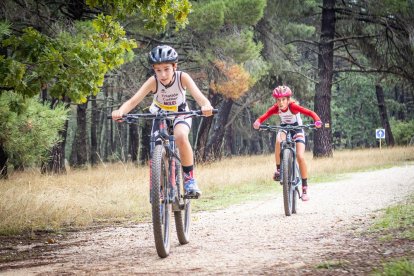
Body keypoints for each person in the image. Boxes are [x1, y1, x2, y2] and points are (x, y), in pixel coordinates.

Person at [112, 45, 214, 198]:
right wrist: (120, 111)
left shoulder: (182, 77)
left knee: (180, 136)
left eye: (166, 69)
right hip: (160, 114)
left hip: (181, 112)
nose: (163, 74)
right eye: (158, 70)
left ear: (175, 66)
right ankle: (159, 185)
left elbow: (200, 97)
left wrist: (206, 106)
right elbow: (133, 101)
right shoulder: (153, 81)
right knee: (155, 145)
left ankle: (189, 180)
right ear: (154, 70)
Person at [253, 85, 322, 201]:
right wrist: (258, 121)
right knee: (278, 141)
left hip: (297, 128)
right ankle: (279, 169)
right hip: (284, 127)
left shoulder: (293, 107)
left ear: (288, 99)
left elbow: (309, 112)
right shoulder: (276, 108)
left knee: (300, 156)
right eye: (278, 100)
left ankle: (304, 188)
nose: (281, 102)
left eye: (283, 99)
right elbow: (265, 115)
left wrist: (317, 120)